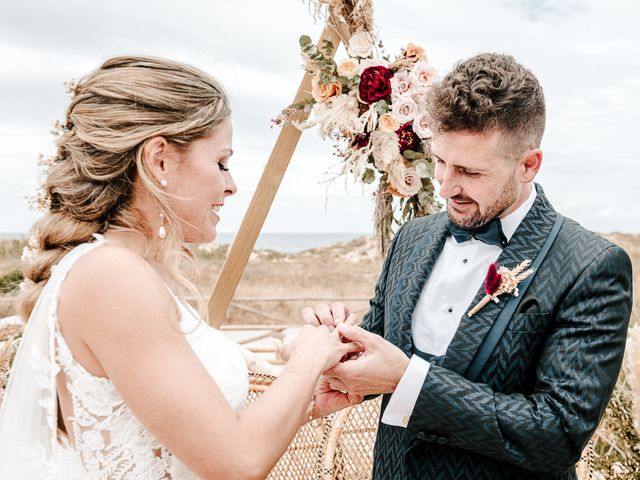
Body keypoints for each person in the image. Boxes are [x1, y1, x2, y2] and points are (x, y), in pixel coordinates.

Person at [0, 56, 363, 480]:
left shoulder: (136, 269)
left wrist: (303, 400)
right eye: (221, 162)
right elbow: (237, 463)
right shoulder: (112, 277)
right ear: (159, 160)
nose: (231, 185)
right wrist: (311, 353)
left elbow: (179, 439)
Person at [304, 53, 634, 479]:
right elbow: (382, 347)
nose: (445, 187)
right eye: (440, 161)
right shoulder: (413, 237)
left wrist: (409, 380)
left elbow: (557, 433)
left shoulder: (592, 266)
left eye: (469, 172)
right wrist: (339, 346)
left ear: (528, 164)